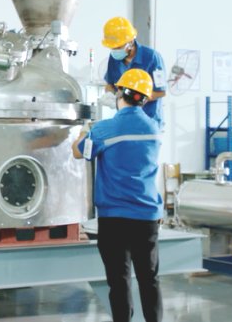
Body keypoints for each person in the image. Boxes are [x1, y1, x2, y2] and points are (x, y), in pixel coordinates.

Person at [73, 68, 163, 322]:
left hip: (114, 218)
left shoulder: (105, 129)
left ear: (120, 93)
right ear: (144, 98)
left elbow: (78, 152)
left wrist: (85, 130)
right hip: (146, 216)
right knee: (149, 279)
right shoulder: (154, 128)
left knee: (119, 280)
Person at [100, 17, 167, 127]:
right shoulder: (114, 58)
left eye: (118, 47)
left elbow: (161, 92)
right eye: (112, 48)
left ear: (130, 42)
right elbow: (110, 84)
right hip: (124, 120)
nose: (115, 51)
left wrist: (133, 101)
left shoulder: (152, 58)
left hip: (149, 121)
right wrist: (110, 95)